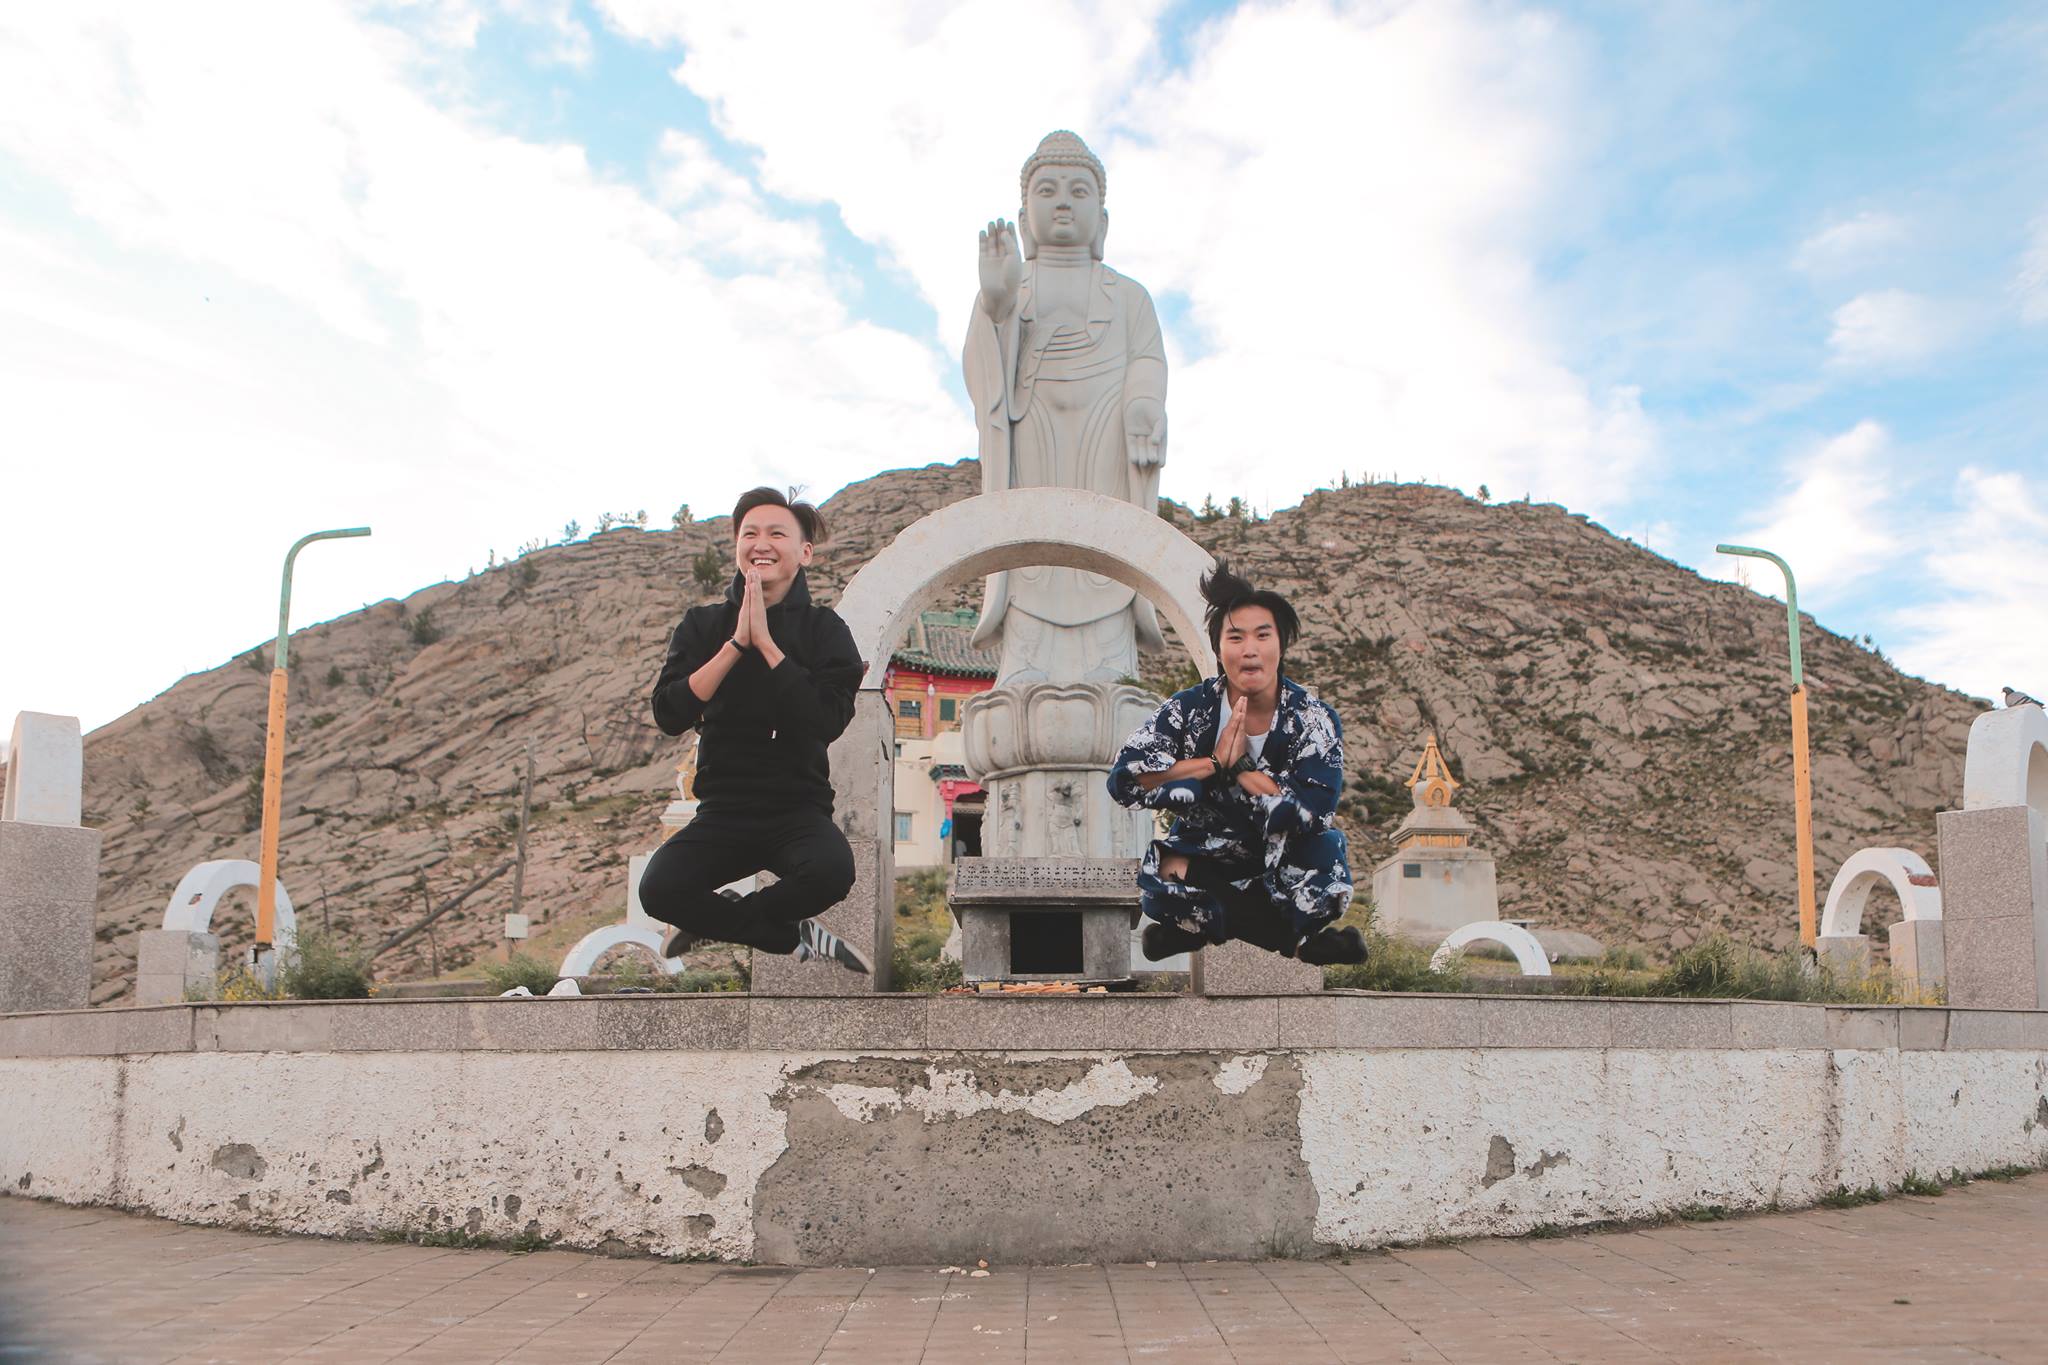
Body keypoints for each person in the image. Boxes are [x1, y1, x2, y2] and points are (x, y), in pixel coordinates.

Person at [637, 487, 871, 974]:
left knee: (832, 871)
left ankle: (731, 919)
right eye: (750, 533)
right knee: (659, 889)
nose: (761, 544)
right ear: (737, 546)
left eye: (777, 534)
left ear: (804, 552)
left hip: (797, 810)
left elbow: (825, 722)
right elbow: (669, 713)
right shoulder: (702, 625)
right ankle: (789, 936)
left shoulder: (827, 631)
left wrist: (767, 645)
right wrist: (736, 646)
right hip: (722, 812)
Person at [1107, 563, 1368, 965]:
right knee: (1166, 869)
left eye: (1263, 635)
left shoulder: (1313, 719)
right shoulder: (1188, 710)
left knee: (1326, 855)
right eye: (1235, 637)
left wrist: (1243, 769)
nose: (1250, 649)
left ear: (1281, 644)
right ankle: (1291, 943)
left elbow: (1315, 811)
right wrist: (1211, 763)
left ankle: (1207, 926)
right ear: (1218, 649)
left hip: (1284, 858)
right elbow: (1126, 780)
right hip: (1207, 853)